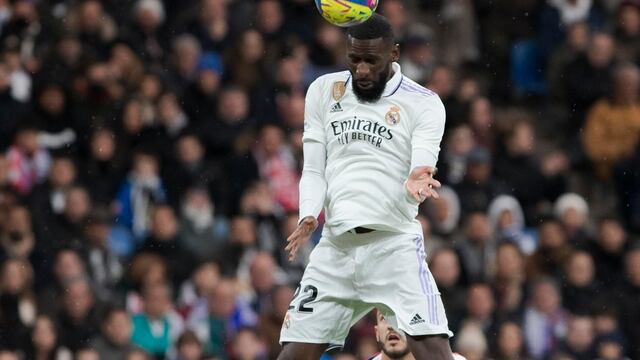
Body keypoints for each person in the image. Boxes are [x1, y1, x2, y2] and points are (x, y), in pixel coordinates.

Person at [279, 14, 454, 360]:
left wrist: (419, 174)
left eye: (370, 60)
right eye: (354, 59)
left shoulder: (424, 102)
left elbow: (423, 159)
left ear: (394, 54)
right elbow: (314, 168)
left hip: (393, 247)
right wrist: (308, 215)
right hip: (335, 249)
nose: (360, 69)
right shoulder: (323, 91)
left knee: (435, 353)